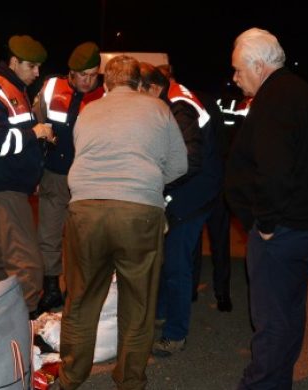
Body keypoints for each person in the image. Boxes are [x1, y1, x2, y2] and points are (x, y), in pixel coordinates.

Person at [57, 55, 187, 390]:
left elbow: (80, 153)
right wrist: (149, 185)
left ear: (107, 82)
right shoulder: (158, 110)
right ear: (136, 81)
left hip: (86, 211)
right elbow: (180, 165)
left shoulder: (88, 111)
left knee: (81, 296)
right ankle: (129, 379)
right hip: (138, 213)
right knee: (139, 301)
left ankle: (71, 376)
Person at [225, 28, 308, 389]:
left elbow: (274, 168)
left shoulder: (275, 98)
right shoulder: (301, 91)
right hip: (307, 222)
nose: (235, 78)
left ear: (259, 66)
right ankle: (277, 382)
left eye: (238, 70)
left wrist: (268, 223)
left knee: (272, 317)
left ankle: (261, 385)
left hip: (285, 226)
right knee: (289, 310)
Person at [139, 63, 224, 356]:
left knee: (176, 264)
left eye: (141, 92)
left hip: (193, 193)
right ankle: (163, 312)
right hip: (195, 188)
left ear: (153, 87)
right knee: (168, 259)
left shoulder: (179, 106)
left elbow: (188, 161)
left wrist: (161, 186)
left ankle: (175, 335)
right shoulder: (174, 98)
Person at [0, 35, 54, 317]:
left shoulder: (15, 89)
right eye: (32, 66)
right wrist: (35, 133)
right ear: (14, 62)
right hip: (4, 190)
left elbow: (11, 137)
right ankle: (24, 324)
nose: (37, 73)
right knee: (28, 266)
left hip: (9, 189)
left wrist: (37, 139)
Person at [33, 41, 105, 313]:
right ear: (70, 73)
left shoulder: (106, 95)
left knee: (82, 238)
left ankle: (78, 292)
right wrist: (35, 172)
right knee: (49, 235)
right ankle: (51, 289)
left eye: (93, 75)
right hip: (53, 174)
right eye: (82, 75)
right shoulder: (51, 87)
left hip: (88, 180)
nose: (88, 81)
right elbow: (35, 123)